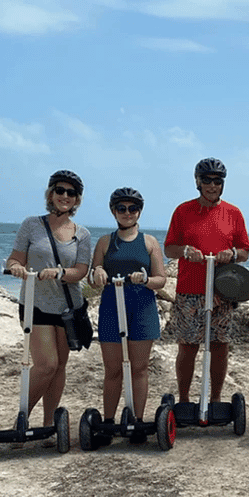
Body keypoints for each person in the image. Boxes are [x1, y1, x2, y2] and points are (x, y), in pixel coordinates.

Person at [5, 170, 92, 439]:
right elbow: (14, 259)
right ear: (50, 194)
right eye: (60, 191)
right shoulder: (31, 225)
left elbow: (81, 271)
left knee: (60, 367)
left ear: (77, 200)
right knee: (46, 365)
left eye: (71, 193)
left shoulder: (82, 234)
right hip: (36, 304)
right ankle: (21, 419)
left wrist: (59, 273)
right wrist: (17, 268)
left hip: (68, 307)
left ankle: (48, 426)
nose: (65, 196)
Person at [163, 157, 249, 407]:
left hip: (222, 291)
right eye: (207, 181)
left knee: (219, 346)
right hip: (190, 290)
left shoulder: (233, 213)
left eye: (217, 181)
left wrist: (231, 254)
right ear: (198, 182)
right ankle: (184, 400)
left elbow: (244, 250)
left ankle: (215, 399)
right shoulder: (183, 211)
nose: (212, 186)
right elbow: (169, 248)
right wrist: (186, 251)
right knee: (188, 347)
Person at [90, 188, 166, 443]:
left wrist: (145, 279)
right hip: (112, 306)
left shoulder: (150, 242)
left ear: (139, 212)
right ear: (114, 211)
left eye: (132, 209)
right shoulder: (104, 242)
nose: (127, 213)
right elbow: (93, 276)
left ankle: (137, 420)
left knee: (139, 368)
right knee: (113, 369)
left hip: (142, 307)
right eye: (121, 208)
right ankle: (108, 422)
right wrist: (98, 272)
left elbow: (161, 280)